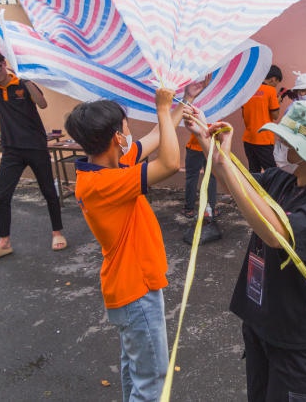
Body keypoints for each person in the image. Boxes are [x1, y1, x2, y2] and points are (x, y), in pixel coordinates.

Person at [184, 100, 306, 401]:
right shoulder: (282, 179)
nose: (280, 147)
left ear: (304, 152)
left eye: (286, 142)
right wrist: (209, 143)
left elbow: (276, 233)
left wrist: (223, 161)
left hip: (298, 339)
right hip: (263, 323)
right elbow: (237, 184)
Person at [64, 81, 203, 402]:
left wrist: (185, 100)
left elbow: (156, 137)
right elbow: (169, 163)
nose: (130, 135)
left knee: (135, 371)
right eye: (126, 129)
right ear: (117, 138)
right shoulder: (103, 183)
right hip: (135, 292)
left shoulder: (110, 166)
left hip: (127, 289)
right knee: (151, 382)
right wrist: (161, 107)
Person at [0, 22, 67, 261]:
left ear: (4, 63)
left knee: (49, 191)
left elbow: (43, 104)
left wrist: (27, 80)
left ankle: (57, 232)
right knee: (2, 196)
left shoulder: (22, 81)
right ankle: (4, 242)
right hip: (11, 150)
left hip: (36, 147)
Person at [273, 70, 306, 171]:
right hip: (294, 152)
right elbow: (283, 132)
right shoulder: (292, 109)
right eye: (303, 91)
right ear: (297, 92)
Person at [241, 65, 281, 173]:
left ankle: (253, 190)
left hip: (248, 138)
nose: (276, 85)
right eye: (277, 82)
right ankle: (272, 191)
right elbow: (275, 116)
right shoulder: (271, 90)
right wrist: (278, 102)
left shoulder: (248, 90)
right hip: (263, 138)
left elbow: (244, 114)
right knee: (272, 172)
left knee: (254, 171)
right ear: (273, 79)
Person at [182, 133, 217, 220]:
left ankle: (189, 209)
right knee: (211, 177)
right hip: (212, 148)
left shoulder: (195, 119)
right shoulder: (216, 119)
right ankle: (212, 208)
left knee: (192, 177)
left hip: (195, 147)